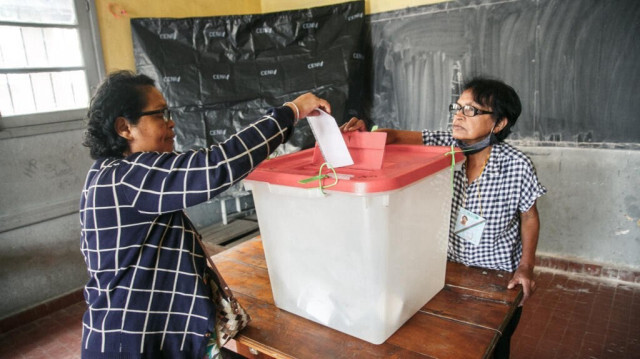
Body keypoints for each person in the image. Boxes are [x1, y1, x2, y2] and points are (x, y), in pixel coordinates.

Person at [80, 70, 331, 359]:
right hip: (131, 344)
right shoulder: (126, 179)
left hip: (151, 335)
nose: (171, 122)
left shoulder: (112, 175)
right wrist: (292, 111)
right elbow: (217, 166)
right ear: (125, 127)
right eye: (160, 114)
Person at [341, 77, 546, 359]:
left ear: (499, 124)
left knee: (494, 345)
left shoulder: (517, 165)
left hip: (496, 277)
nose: (459, 115)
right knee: (452, 342)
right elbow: (397, 137)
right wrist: (366, 133)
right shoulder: (445, 147)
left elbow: (529, 217)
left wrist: (526, 267)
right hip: (447, 268)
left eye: (472, 110)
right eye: (458, 107)